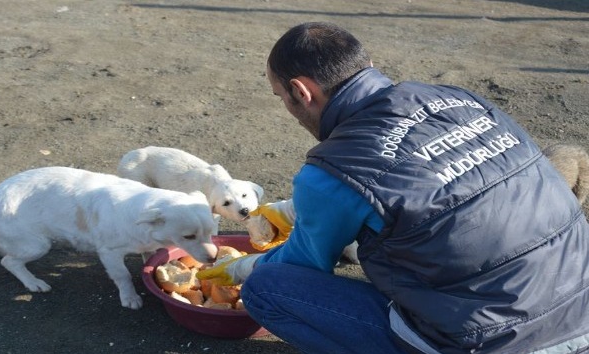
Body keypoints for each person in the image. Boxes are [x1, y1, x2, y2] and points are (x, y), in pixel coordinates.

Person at [197, 22, 589, 354]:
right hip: (581, 311)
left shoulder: (335, 166)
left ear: (301, 92)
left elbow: (303, 264)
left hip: (492, 341)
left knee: (267, 287)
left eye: (281, 96)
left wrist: (242, 268)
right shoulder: (460, 99)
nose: (286, 105)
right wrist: (288, 212)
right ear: (367, 66)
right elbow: (427, 183)